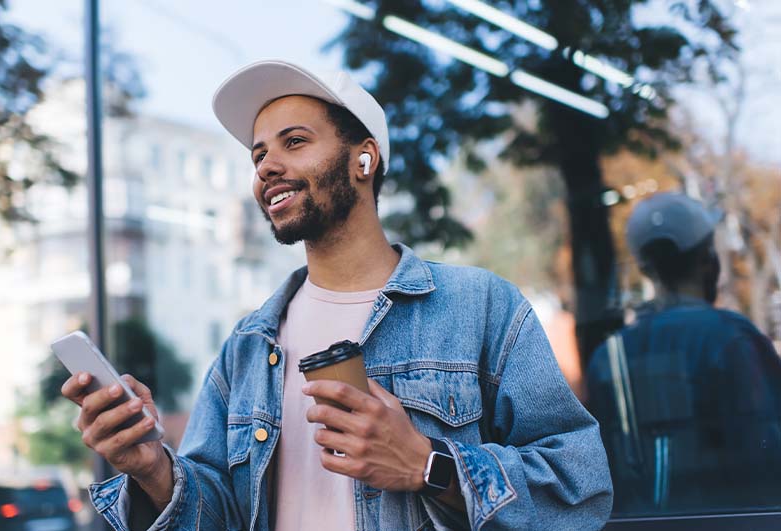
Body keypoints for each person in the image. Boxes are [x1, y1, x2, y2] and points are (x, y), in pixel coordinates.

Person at [63, 59, 612, 530]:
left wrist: (428, 465)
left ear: (364, 158)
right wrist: (154, 470)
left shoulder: (480, 308)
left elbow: (581, 488)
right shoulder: (248, 345)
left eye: (294, 142)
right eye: (258, 155)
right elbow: (219, 514)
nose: (267, 166)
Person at [586, 192, 781, 515]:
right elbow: (768, 455)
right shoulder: (733, 338)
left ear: (646, 269)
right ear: (708, 259)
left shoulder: (608, 358)